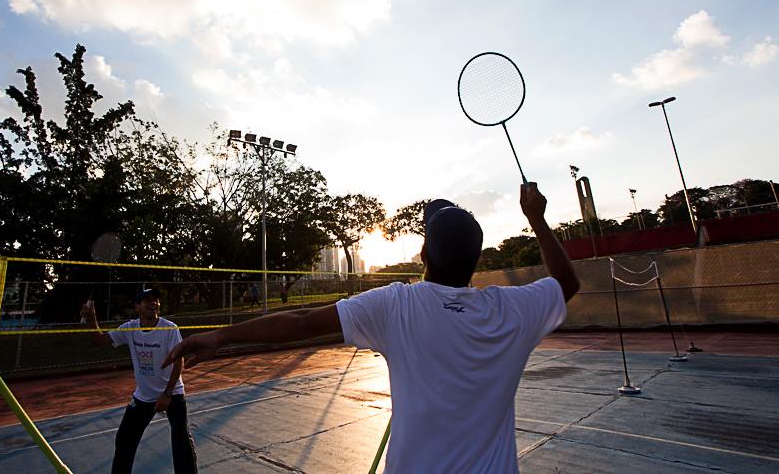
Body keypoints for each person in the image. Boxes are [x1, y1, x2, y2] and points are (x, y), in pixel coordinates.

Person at [161, 182, 578, 473]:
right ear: (478, 262)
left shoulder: (399, 303)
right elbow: (566, 284)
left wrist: (222, 335)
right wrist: (536, 219)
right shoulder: (511, 309)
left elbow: (303, 322)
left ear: (422, 254)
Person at [83, 289, 197, 474]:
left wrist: (167, 393)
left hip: (172, 393)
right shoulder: (130, 328)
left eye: (156, 300)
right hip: (144, 396)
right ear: (137, 307)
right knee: (124, 439)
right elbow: (99, 341)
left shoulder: (169, 328)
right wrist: (91, 319)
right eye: (147, 301)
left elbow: (179, 361)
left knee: (180, 440)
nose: (153, 304)